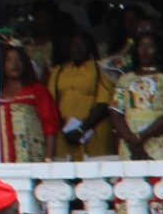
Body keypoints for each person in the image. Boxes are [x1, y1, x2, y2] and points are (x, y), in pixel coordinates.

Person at [107, 29, 163, 162]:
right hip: (131, 145)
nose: (145, 50)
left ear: (159, 51)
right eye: (141, 46)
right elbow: (115, 112)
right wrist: (131, 139)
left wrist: (140, 137)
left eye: (150, 47)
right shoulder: (125, 79)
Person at [46, 31, 116, 159]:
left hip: (94, 131)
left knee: (95, 173)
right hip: (64, 133)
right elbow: (50, 102)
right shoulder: (57, 71)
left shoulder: (101, 69)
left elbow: (104, 104)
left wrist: (81, 130)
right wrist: (63, 127)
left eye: (82, 45)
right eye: (74, 45)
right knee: (65, 173)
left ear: (90, 47)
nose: (78, 49)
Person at [0, 42, 60, 164]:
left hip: (33, 159)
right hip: (1, 161)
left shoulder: (36, 90)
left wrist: (48, 158)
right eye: (9, 60)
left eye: (19, 60)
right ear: (2, 64)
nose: (15, 64)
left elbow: (50, 126)